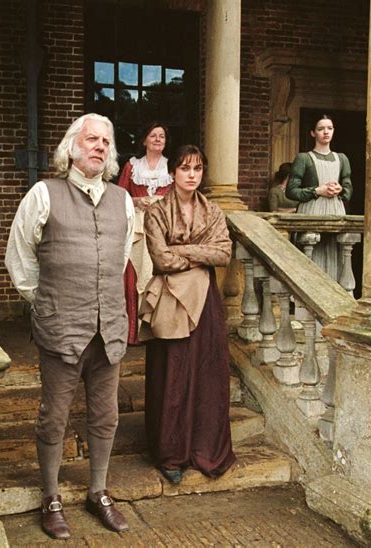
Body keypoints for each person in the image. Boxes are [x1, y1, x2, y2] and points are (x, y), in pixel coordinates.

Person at [5, 113, 134, 540]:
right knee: (53, 417)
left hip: (109, 328)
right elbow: (19, 260)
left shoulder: (123, 201)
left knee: (106, 416)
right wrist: (47, 302)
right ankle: (51, 497)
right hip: (61, 329)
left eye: (106, 141)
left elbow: (121, 261)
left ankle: (98, 492)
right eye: (91, 138)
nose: (99, 146)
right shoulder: (44, 194)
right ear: (72, 147)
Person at [138, 144, 236, 484]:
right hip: (172, 300)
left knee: (206, 373)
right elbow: (161, 260)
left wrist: (182, 250)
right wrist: (199, 256)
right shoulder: (157, 211)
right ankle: (171, 452)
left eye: (197, 169)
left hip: (205, 301)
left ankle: (202, 446)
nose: (192, 175)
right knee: (173, 374)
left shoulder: (214, 211)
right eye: (185, 168)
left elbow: (223, 252)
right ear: (173, 173)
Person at [118, 122, 173, 344]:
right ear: (144, 140)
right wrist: (137, 200)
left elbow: (180, 197)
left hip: (163, 226)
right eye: (153, 135)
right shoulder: (132, 166)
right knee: (134, 276)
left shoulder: (171, 167)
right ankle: (133, 332)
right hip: (138, 227)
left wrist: (161, 202)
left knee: (159, 275)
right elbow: (119, 196)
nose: (158, 139)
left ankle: (158, 329)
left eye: (162, 136)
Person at [286, 114, 353, 281]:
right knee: (311, 254)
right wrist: (317, 191)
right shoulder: (304, 158)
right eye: (321, 129)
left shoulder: (342, 159)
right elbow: (291, 191)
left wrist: (340, 189)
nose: (326, 132)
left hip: (335, 211)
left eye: (329, 128)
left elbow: (348, 188)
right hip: (311, 210)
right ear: (312, 133)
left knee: (334, 253)